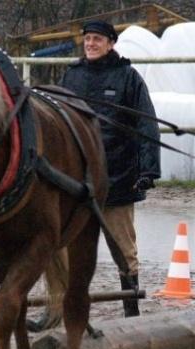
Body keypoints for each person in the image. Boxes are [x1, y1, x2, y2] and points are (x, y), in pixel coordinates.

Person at [60, 19, 160, 318]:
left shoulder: (128, 78)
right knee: (66, 250)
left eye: (97, 39)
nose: (91, 44)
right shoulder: (72, 76)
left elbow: (146, 123)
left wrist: (148, 170)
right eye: (87, 39)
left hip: (117, 177)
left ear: (111, 43)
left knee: (123, 249)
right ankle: (62, 309)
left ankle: (131, 310)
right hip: (76, 181)